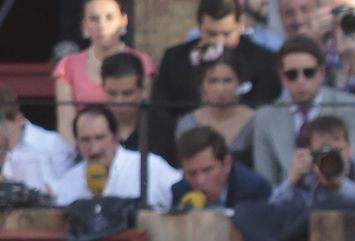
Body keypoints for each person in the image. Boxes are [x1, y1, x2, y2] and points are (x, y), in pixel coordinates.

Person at [252, 36, 355, 186]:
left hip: (343, 200)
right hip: (288, 204)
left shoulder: (354, 108)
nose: (301, 81)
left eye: (308, 72)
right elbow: (265, 181)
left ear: (322, 72)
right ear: (282, 77)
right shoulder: (266, 116)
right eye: (292, 75)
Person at [153, 0, 284, 116]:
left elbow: (264, 111)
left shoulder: (264, 61)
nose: (219, 41)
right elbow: (161, 112)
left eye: (226, 34)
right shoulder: (175, 60)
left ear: (240, 25)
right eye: (211, 33)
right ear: (199, 27)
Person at [53, 0, 156, 144]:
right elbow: (66, 125)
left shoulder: (142, 62)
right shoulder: (68, 66)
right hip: (84, 153)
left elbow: (143, 116)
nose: (102, 26)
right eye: (94, 19)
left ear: (123, 20)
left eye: (109, 17)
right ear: (84, 25)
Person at [50, 104, 183, 211]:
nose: (94, 149)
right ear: (77, 143)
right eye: (85, 140)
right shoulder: (70, 181)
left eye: (100, 138)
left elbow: (184, 194)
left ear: (116, 136)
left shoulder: (149, 166)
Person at [270, 114, 355, 208]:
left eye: (337, 151)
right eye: (323, 152)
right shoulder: (307, 175)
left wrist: (342, 185)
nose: (331, 158)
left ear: (349, 147)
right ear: (311, 152)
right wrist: (292, 181)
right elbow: (273, 210)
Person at [173, 47, 258, 166]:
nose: (220, 89)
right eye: (213, 81)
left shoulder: (255, 121)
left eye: (227, 81)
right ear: (202, 85)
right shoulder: (188, 124)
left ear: (238, 83)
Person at [98, 51, 178, 165]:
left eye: (127, 93)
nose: (119, 101)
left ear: (141, 90)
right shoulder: (94, 125)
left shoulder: (164, 126)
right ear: (103, 88)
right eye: (112, 93)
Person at [170, 124, 272, 208]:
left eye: (207, 170)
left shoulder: (254, 190)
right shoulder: (180, 193)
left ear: (227, 164)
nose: (200, 181)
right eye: (192, 173)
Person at [0, 86, 75, 187]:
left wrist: (44, 189)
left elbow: (71, 185)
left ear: (19, 120)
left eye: (4, 131)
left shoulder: (52, 142)